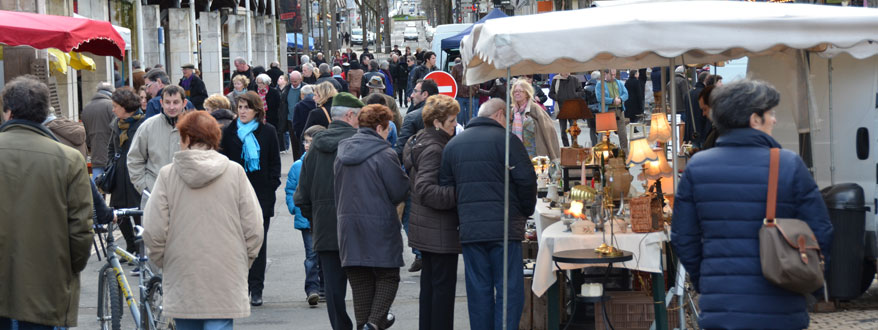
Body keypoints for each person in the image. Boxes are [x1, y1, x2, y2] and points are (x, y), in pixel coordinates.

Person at [671, 80, 833, 330]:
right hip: (782, 301)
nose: (774, 120)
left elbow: (683, 238)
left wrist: (707, 280)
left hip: (721, 304)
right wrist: (809, 279)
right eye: (771, 113)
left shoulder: (697, 167)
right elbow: (821, 230)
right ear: (754, 119)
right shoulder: (789, 165)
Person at [144, 111, 265, 330]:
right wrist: (243, 260)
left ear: (187, 138)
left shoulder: (168, 175)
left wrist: (164, 259)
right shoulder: (234, 172)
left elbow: (154, 230)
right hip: (226, 267)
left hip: (182, 268)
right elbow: (254, 226)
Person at [0, 76, 92, 330]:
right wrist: (68, 268)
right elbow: (81, 230)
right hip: (47, 286)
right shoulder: (69, 160)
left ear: (8, 112)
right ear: (43, 113)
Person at [440, 98, 537, 330]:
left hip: (471, 230)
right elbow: (527, 180)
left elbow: (446, 188)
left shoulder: (453, 145)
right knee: (509, 290)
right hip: (504, 229)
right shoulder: (507, 141)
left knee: (479, 291)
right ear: (500, 115)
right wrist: (525, 212)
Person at [335, 104, 409, 330]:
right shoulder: (385, 154)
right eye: (387, 129)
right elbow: (399, 191)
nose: (388, 134)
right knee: (388, 276)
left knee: (361, 284)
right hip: (379, 226)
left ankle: (365, 325)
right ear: (379, 128)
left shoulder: (342, 151)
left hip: (348, 225)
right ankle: (374, 324)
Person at [294, 93, 365, 330]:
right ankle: (366, 324)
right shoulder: (361, 142)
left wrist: (316, 221)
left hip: (325, 228)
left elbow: (302, 195)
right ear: (349, 115)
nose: (359, 121)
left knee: (333, 290)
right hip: (359, 226)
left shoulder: (314, 148)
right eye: (358, 117)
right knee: (363, 285)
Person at [402, 94, 461, 330]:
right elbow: (425, 189)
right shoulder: (435, 148)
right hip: (439, 230)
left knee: (430, 290)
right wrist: (460, 193)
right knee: (441, 294)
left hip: (428, 229)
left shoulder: (420, 140)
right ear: (437, 122)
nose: (455, 125)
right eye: (452, 121)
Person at [219, 91, 281, 307]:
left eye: (247, 107)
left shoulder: (268, 132)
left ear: (257, 110)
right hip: (235, 196)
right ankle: (240, 287)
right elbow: (223, 161)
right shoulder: (229, 132)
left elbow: (274, 162)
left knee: (258, 245)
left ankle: (256, 289)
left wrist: (272, 183)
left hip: (261, 197)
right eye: (240, 107)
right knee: (235, 245)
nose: (243, 111)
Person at [285, 125, 327, 307]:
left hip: (323, 217)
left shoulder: (325, 162)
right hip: (305, 217)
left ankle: (324, 287)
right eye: (305, 141)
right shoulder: (297, 166)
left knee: (324, 255)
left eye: (311, 141)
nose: (307, 145)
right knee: (311, 255)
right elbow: (290, 190)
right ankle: (312, 289)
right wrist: (294, 208)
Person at [128, 85, 190, 196]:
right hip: (154, 193)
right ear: (161, 102)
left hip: (186, 194)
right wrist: (144, 187)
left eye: (176, 102)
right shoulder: (147, 127)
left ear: (184, 103)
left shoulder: (195, 127)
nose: (171, 107)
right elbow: (134, 159)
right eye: (167, 102)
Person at [106, 87, 147, 253]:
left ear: (125, 106)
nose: (113, 109)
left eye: (115, 105)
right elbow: (110, 147)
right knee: (119, 212)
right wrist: (111, 164)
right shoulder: (116, 124)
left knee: (138, 213)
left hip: (135, 176)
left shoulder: (143, 124)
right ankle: (130, 247)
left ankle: (140, 248)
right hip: (118, 176)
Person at [510, 79, 561, 161]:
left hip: (535, 152)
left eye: (520, 91)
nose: (517, 93)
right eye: (515, 91)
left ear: (526, 93)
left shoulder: (534, 107)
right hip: (518, 152)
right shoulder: (513, 111)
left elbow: (548, 128)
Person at [82, 82, 116, 179]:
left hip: (95, 154)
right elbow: (117, 129)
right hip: (111, 155)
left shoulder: (86, 108)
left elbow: (86, 134)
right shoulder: (112, 106)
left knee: (98, 187)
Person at [548, 72, 585, 147]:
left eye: (568, 71)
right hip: (561, 109)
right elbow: (550, 93)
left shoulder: (575, 79)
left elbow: (581, 92)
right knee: (563, 131)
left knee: (573, 130)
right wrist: (558, 97)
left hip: (572, 108)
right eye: (565, 72)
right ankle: (566, 147)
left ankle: (574, 146)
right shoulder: (556, 80)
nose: (567, 73)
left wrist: (574, 95)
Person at [595, 69, 630, 148]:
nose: (614, 76)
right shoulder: (600, 84)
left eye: (615, 74)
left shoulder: (618, 82)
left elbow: (626, 94)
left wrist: (620, 99)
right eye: (612, 75)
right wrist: (612, 101)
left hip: (619, 111)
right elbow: (600, 98)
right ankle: (601, 153)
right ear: (605, 74)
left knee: (623, 134)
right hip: (607, 111)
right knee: (604, 135)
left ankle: (625, 153)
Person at [256, 74, 285, 152]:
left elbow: (278, 105)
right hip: (258, 117)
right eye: (258, 83)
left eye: (261, 83)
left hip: (272, 117)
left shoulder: (273, 92)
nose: (259, 85)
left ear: (266, 83)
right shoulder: (255, 92)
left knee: (271, 134)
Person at [281, 71, 306, 159]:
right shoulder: (286, 89)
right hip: (290, 120)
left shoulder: (305, 88)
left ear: (300, 79)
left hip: (302, 121)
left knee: (303, 144)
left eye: (295, 81)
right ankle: (296, 164)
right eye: (291, 81)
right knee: (294, 145)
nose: (293, 83)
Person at [451, 58, 478, 125]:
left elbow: (476, 80)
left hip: (470, 95)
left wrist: (475, 89)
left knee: (470, 116)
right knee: (460, 115)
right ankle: (459, 130)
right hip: (460, 95)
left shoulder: (473, 67)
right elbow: (452, 81)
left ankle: (469, 129)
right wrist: (456, 92)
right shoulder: (456, 68)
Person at [292, 85, 317, 155]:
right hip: (316, 133)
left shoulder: (299, 105)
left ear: (303, 94)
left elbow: (295, 124)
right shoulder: (317, 104)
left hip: (303, 134)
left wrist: (298, 135)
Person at [583, 71, 601, 146]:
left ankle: (594, 145)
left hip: (589, 110)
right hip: (599, 109)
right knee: (601, 128)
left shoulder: (586, 88)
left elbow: (584, 101)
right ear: (598, 78)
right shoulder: (600, 86)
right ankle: (600, 145)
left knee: (592, 129)